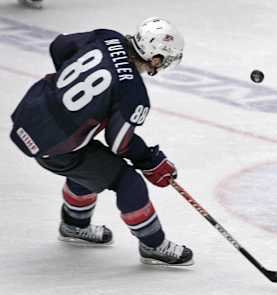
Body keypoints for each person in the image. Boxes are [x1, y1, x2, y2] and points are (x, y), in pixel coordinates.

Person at [10, 17, 193, 266]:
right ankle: (154, 245)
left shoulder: (108, 37)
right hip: (56, 147)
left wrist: (68, 94)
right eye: (166, 61)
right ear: (156, 59)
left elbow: (60, 46)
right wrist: (151, 161)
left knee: (92, 165)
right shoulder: (134, 94)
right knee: (128, 182)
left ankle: (75, 225)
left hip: (30, 113)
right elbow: (119, 144)